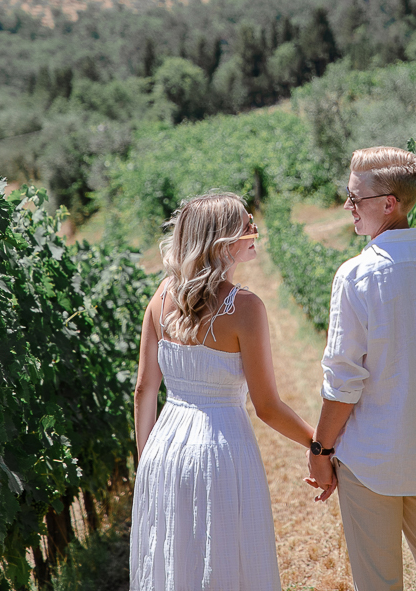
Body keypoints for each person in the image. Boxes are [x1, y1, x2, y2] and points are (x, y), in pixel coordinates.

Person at [304, 146, 416, 591]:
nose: (347, 206)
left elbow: (342, 385)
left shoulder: (356, 276)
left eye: (355, 197)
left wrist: (321, 451)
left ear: (388, 204)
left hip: (371, 462)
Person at [130, 191, 315, 591]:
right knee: (225, 563)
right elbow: (267, 407)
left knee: (173, 565)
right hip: (220, 447)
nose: (255, 229)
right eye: (246, 224)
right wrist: (318, 443)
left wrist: (148, 460)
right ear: (221, 239)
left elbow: (145, 389)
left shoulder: (159, 299)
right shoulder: (244, 307)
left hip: (164, 446)